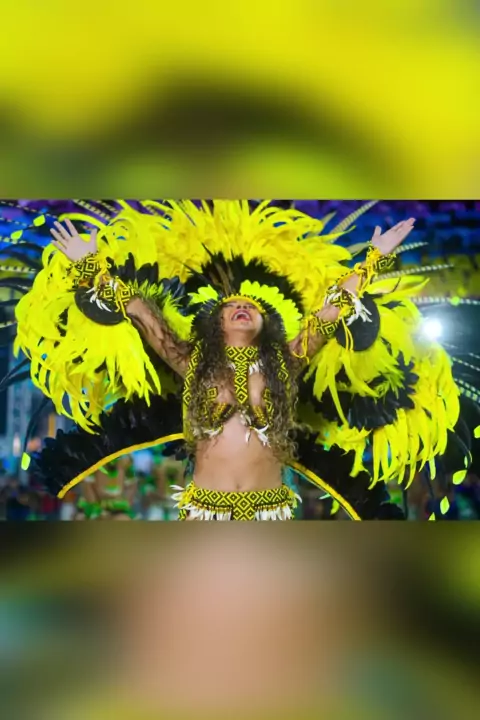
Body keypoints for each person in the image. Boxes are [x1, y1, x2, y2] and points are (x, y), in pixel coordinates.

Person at [5, 200, 476, 520]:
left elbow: (330, 312)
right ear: (216, 322)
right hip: (202, 511)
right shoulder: (191, 362)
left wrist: (372, 260)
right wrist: (90, 265)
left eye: (252, 306)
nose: (242, 306)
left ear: (267, 323)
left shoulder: (287, 362)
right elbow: (142, 313)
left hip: (271, 510)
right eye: (232, 306)